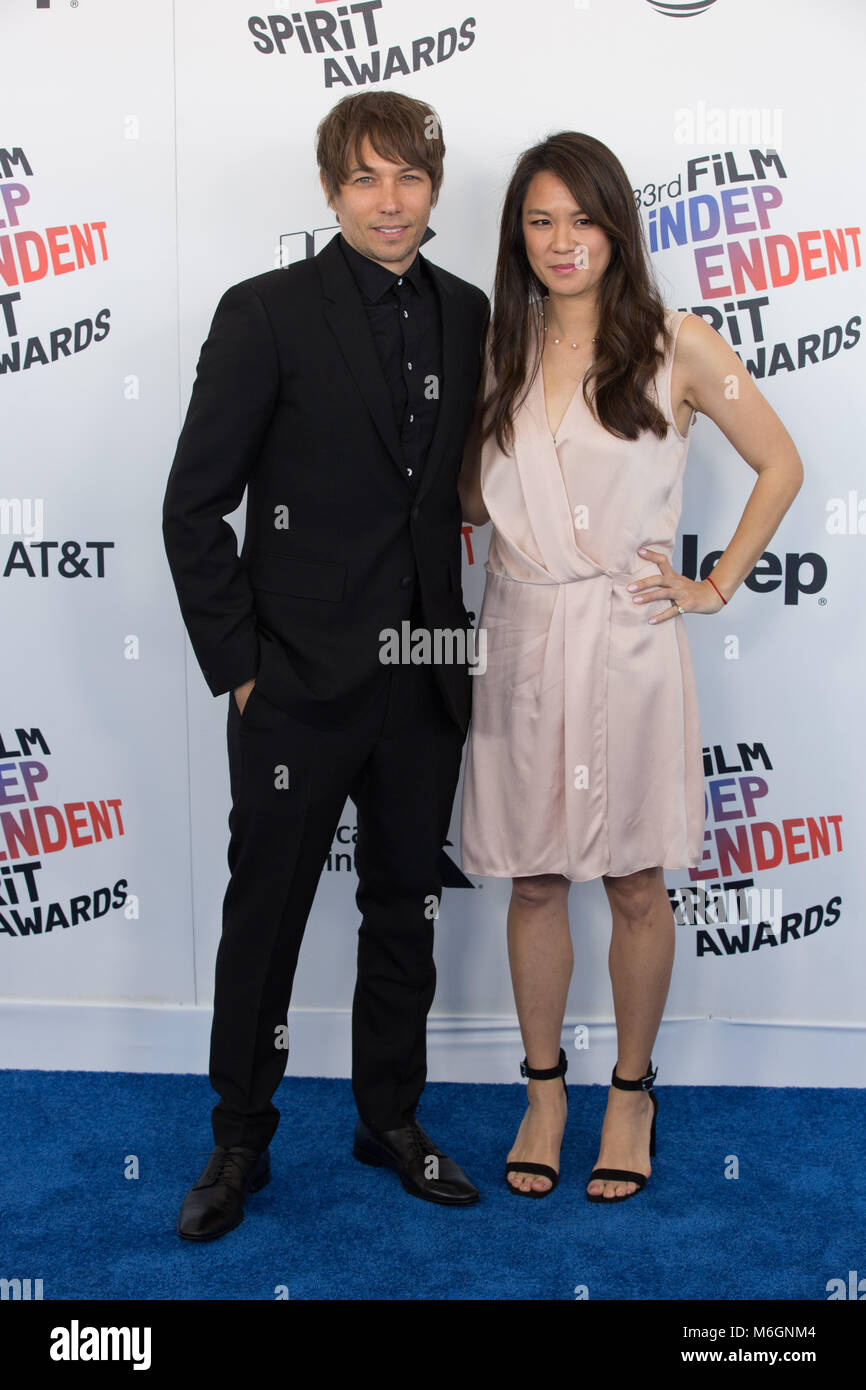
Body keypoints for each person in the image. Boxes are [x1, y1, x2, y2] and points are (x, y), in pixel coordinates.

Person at [163, 90, 489, 1240]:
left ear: (433, 189)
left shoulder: (467, 310)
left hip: (426, 673)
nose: (389, 200)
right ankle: (238, 1139)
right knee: (268, 915)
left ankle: (388, 1119)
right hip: (295, 683)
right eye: (364, 178)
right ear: (329, 191)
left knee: (403, 909)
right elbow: (193, 506)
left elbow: (459, 489)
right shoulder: (262, 314)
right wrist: (243, 668)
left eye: (408, 177)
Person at [458, 131, 803, 1203]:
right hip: (521, 633)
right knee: (532, 877)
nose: (562, 242)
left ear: (616, 225)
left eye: (582, 219)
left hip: (628, 641)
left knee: (636, 881)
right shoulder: (496, 344)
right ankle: (544, 1089)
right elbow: (473, 496)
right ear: (517, 233)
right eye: (539, 221)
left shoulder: (677, 341)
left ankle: (630, 1091)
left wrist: (711, 584)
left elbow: (780, 463)